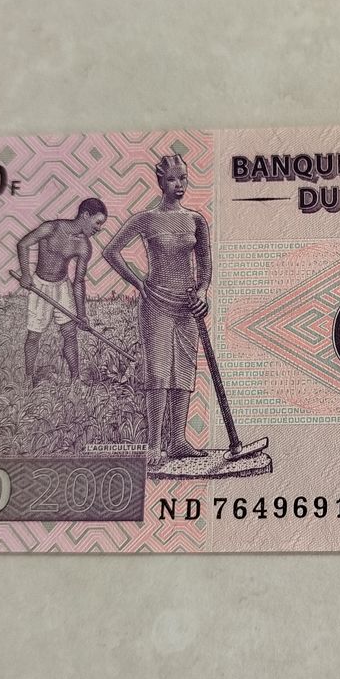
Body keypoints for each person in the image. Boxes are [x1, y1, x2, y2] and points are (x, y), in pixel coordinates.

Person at [102, 153, 210, 460]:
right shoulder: (146, 219)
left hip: (187, 305)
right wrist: (138, 283)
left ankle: (178, 441)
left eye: (183, 178)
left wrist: (202, 292)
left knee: (184, 371)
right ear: (160, 182)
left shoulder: (196, 220)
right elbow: (111, 251)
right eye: (172, 179)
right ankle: (153, 445)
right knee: (159, 372)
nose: (179, 185)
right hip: (156, 303)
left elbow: (205, 263)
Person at [15, 198, 108, 384]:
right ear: (85, 215)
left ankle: (75, 380)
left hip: (62, 287)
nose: (98, 229)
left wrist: (82, 315)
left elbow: (78, 281)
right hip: (39, 285)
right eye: (97, 223)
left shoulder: (84, 246)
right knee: (34, 335)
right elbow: (23, 244)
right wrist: (25, 274)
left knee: (70, 334)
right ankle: (28, 379)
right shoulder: (51, 228)